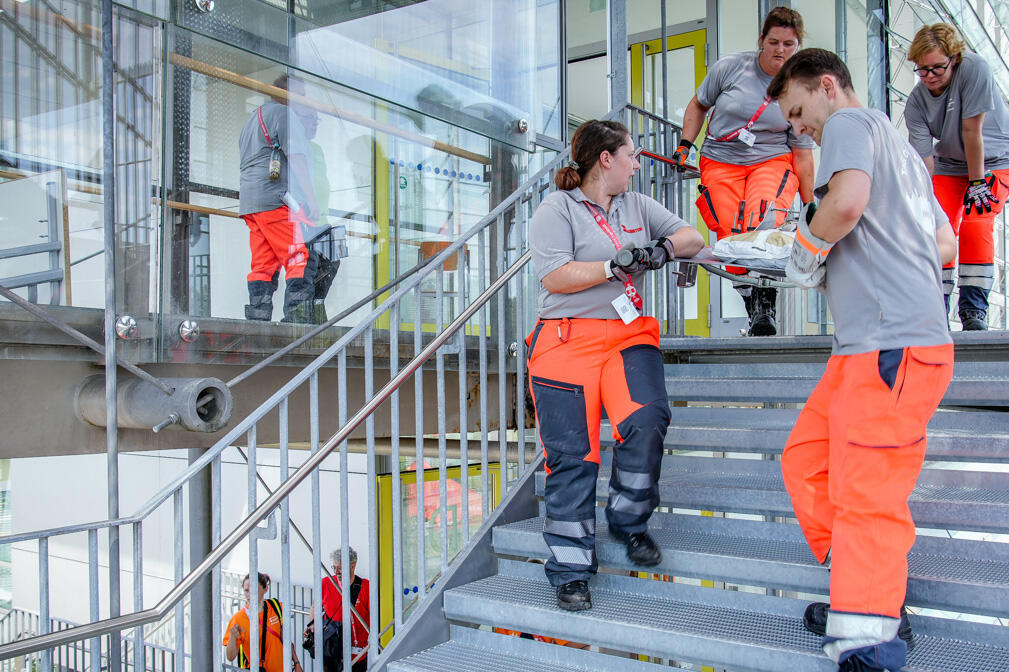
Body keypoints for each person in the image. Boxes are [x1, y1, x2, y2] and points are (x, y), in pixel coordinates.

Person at [768, 49, 956, 671]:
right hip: (874, 345)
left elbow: (845, 204)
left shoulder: (849, 124)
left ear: (827, 86)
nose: (800, 127)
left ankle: (869, 638)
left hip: (889, 346)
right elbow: (943, 243)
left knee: (866, 493)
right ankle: (864, 585)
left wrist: (805, 246)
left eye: (799, 111)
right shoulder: (903, 151)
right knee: (805, 462)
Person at [527, 119, 705, 611]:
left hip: (628, 336)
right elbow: (556, 275)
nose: (638, 161)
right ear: (606, 158)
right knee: (572, 456)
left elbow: (692, 235)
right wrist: (612, 267)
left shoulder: (638, 205)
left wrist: (664, 248)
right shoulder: (556, 209)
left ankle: (628, 522)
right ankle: (570, 567)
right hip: (566, 342)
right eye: (633, 153)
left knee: (647, 422)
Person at [674, 7, 815, 336]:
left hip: (771, 159)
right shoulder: (731, 67)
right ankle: (754, 303)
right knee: (729, 231)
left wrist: (811, 206)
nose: (780, 50)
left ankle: (765, 299)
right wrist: (685, 144)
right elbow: (698, 105)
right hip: (721, 159)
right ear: (761, 41)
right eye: (774, 41)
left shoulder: (800, 87)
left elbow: (803, 154)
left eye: (789, 44)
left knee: (761, 217)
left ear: (798, 45)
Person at [904, 23, 1009, 330]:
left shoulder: (974, 68)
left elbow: (971, 131)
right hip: (950, 164)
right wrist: (924, 200)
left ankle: (973, 309)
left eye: (937, 67)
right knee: (938, 227)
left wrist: (977, 182)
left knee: (977, 220)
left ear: (955, 58)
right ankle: (936, 307)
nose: (929, 76)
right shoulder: (916, 102)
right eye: (922, 70)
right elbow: (924, 159)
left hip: (993, 161)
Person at [238, 74, 320, 323]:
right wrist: (311, 200)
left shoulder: (252, 120)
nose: (303, 101)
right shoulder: (285, 115)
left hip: (252, 205)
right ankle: (298, 321)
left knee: (264, 263)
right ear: (285, 92)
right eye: (301, 95)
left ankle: (258, 318)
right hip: (277, 200)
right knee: (299, 255)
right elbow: (297, 157)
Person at [305, 546, 370, 672]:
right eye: (334, 568)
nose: (336, 572)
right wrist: (312, 623)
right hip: (331, 651)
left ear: (352, 565)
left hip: (356, 653)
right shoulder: (325, 583)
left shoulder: (365, 587)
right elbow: (315, 606)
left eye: (340, 568)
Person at [223, 572, 303, 671]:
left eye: (254, 590)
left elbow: (285, 638)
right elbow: (230, 657)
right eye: (246, 591)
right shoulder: (238, 619)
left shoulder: (276, 606)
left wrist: (296, 663)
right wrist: (232, 636)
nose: (249, 595)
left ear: (265, 589)